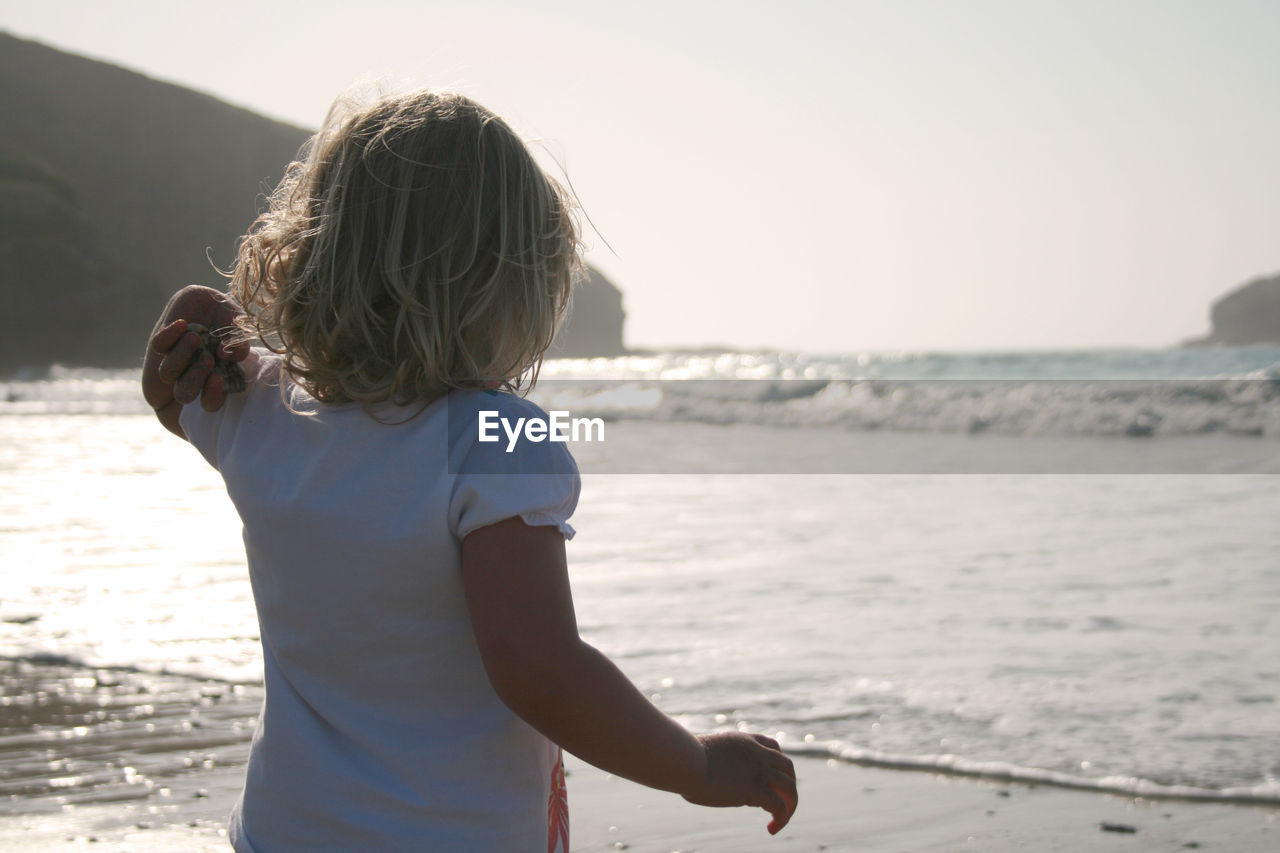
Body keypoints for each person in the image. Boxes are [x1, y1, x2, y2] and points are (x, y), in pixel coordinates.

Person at [142, 89, 796, 852]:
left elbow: (194, 340)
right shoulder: (496, 438)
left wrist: (185, 342)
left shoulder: (261, 414)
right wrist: (695, 763)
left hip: (283, 831)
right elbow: (538, 666)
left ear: (315, 253)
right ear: (504, 288)